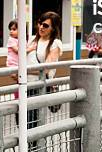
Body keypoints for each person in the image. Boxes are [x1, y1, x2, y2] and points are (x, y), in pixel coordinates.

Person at [26, 12, 63, 140]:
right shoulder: (31, 39)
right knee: (22, 123)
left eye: (45, 25)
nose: (41, 27)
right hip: (24, 85)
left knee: (33, 124)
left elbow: (46, 69)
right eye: (40, 23)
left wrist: (23, 72)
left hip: (38, 87)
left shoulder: (55, 44)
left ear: (53, 28)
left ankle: (36, 148)